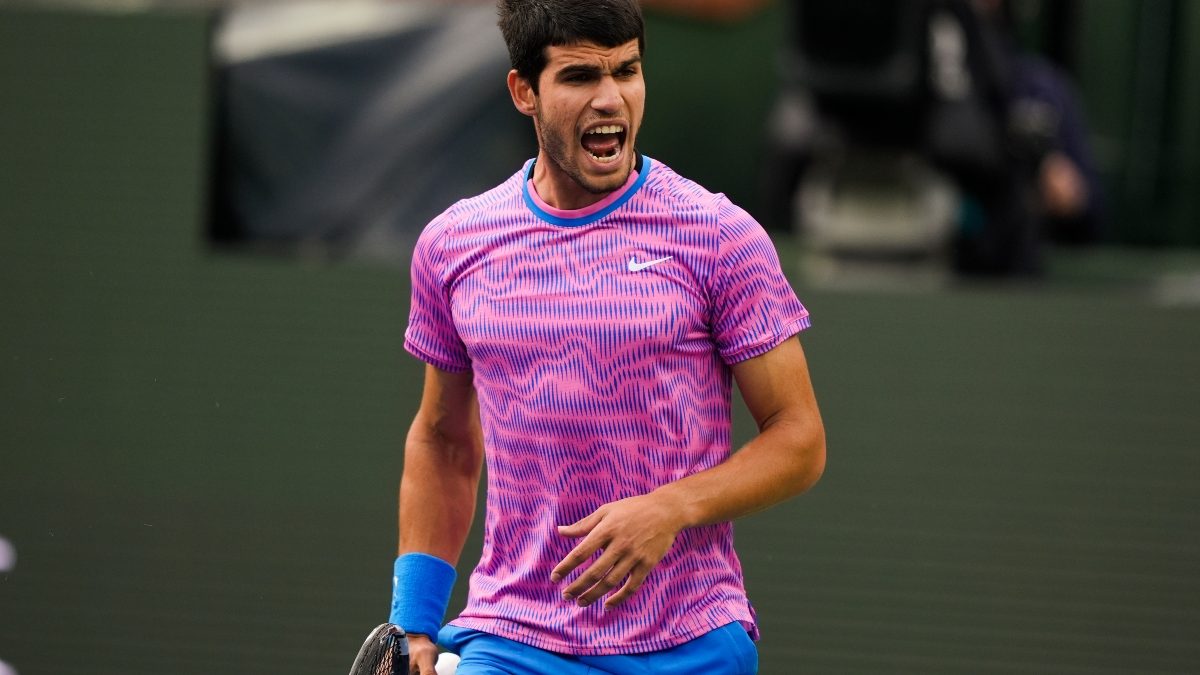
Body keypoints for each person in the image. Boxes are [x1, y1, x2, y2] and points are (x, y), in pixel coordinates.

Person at [389, 1, 826, 673]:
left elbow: (799, 439)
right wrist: (415, 623)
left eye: (626, 70)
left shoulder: (718, 236)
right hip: (513, 640)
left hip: (691, 643)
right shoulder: (455, 245)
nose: (610, 98)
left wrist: (672, 507)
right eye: (579, 76)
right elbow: (443, 439)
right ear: (524, 92)